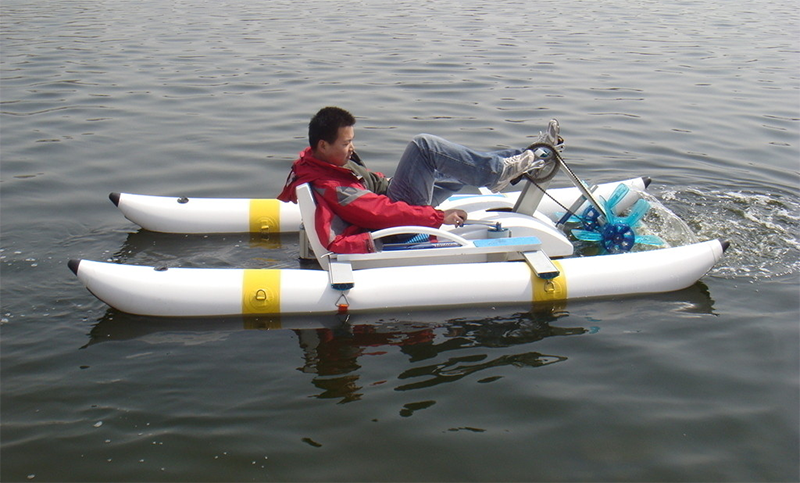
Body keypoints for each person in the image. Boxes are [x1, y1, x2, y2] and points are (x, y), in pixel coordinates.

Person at [277, 106, 562, 254]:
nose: (352, 148)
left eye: (352, 141)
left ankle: (525, 158)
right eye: (345, 143)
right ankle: (501, 171)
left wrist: (400, 180)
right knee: (423, 147)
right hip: (393, 226)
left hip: (391, 203)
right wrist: (438, 217)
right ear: (323, 145)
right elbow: (381, 213)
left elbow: (370, 186)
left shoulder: (325, 163)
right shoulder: (330, 185)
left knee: (455, 166)